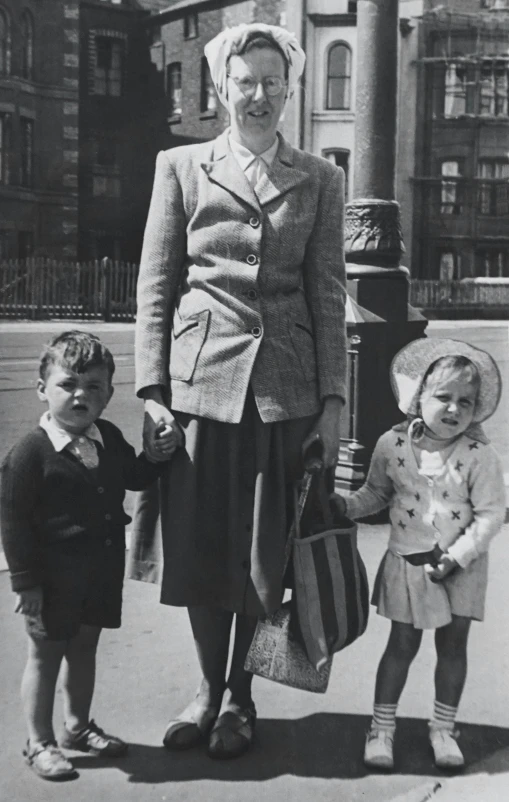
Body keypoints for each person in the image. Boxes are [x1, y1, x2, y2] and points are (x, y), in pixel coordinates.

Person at [130, 22, 347, 759]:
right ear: (220, 88)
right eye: (244, 82)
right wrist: (153, 389)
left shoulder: (319, 176)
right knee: (198, 551)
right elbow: (156, 286)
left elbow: (326, 291)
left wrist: (334, 402)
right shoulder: (180, 166)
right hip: (198, 391)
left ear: (290, 90)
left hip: (283, 392)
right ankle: (205, 688)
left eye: (271, 82)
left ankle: (240, 699)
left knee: (264, 558)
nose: (258, 95)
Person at [0, 331, 168, 781]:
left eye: (94, 387)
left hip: (98, 573)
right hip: (51, 582)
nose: (81, 395)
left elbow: (134, 477)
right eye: (68, 384)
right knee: (46, 655)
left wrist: (155, 455)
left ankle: (76, 727)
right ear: (42, 389)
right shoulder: (29, 454)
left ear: (109, 394)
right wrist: (26, 583)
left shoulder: (108, 437)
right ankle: (39, 742)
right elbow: (14, 524)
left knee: (85, 649)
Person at [332, 339, 506, 771]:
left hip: (461, 569)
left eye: (465, 402)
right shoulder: (391, 445)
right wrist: (346, 506)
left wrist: (460, 554)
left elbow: (491, 514)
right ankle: (381, 728)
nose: (454, 409)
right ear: (418, 399)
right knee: (401, 645)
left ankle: (444, 728)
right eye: (443, 398)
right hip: (407, 562)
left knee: (453, 646)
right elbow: (376, 492)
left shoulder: (479, 455)